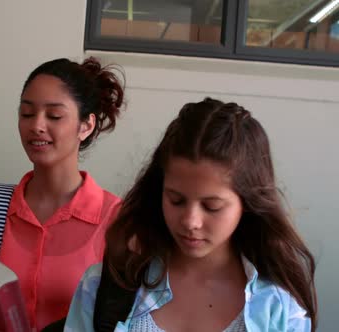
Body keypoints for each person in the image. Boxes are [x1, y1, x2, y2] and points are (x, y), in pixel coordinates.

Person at [64, 97, 317, 331]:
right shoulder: (104, 288)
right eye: (176, 200)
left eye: (212, 206)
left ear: (248, 203)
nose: (190, 221)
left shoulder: (279, 309)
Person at [0, 57, 126, 331]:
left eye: (54, 116)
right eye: (26, 114)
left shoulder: (115, 218)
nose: (37, 125)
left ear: (86, 125)